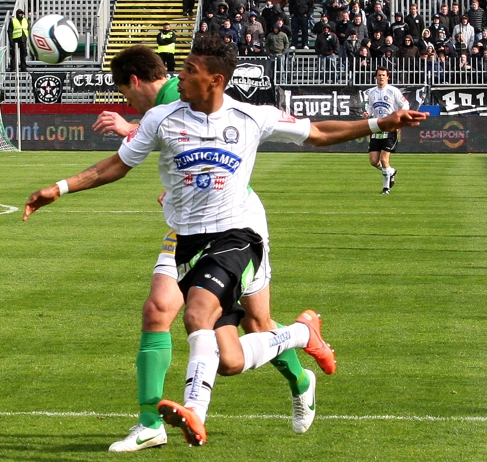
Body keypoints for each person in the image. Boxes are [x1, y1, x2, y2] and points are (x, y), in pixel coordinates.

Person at [25, 34, 427, 447]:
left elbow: (319, 132)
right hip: (187, 240)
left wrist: (380, 123)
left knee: (195, 312)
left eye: (189, 71)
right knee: (232, 359)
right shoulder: (161, 119)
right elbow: (116, 165)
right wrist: (59, 188)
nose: (177, 77)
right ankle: (301, 334)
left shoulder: (252, 117)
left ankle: (191, 414)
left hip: (238, 234)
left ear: (215, 80)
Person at [90, 44, 318, 452]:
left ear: (136, 82)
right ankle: (149, 423)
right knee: (158, 309)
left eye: (126, 95)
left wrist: (133, 132)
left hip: (236, 222)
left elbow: (215, 153)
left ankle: (300, 373)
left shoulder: (186, 91)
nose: (128, 104)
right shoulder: (165, 108)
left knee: (257, 324)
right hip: (187, 228)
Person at [362, 66, 410, 195]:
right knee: (373, 161)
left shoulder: (393, 91)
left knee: (384, 160)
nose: (381, 77)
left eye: (383, 75)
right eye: (379, 75)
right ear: (376, 77)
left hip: (390, 127)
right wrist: (367, 113)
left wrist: (399, 116)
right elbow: (370, 108)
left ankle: (386, 188)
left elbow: (405, 105)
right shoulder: (372, 92)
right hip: (376, 126)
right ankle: (390, 171)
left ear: (387, 77)